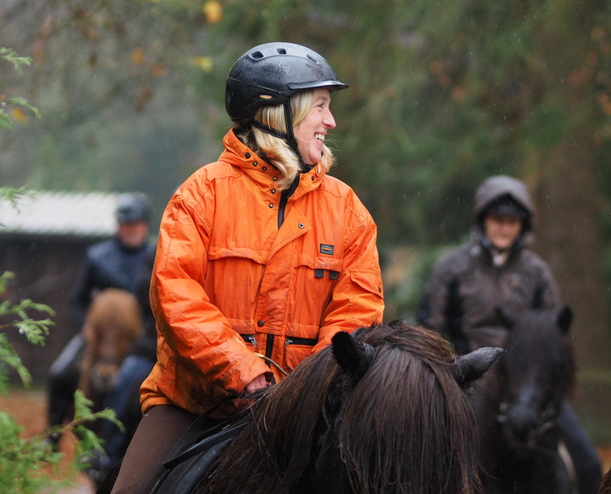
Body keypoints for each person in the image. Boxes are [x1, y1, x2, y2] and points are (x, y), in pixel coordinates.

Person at [110, 42, 384, 494]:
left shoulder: (349, 211)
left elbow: (358, 313)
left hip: (310, 412)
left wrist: (307, 392)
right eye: (319, 107)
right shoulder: (201, 195)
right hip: (195, 405)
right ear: (278, 112)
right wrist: (246, 373)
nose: (330, 122)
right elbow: (176, 295)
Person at [418, 175, 602, 494]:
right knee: (447, 463)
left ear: (523, 226)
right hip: (470, 383)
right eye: (498, 219)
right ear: (484, 220)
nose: (505, 227)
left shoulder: (536, 271)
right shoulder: (452, 267)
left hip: (527, 388)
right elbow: (430, 329)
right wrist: (454, 375)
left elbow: (554, 336)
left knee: (588, 461)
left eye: (513, 221)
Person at [46, 192, 156, 446]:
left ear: (145, 225)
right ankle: (52, 435)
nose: (130, 229)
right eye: (125, 224)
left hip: (137, 338)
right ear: (118, 225)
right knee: (59, 373)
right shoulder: (97, 257)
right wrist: (86, 326)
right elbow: (76, 299)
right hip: (98, 336)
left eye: (135, 224)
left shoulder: (156, 254)